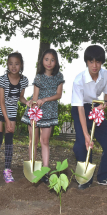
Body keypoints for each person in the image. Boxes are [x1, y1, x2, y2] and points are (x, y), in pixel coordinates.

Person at [71, 45, 107, 190]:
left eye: (98, 62)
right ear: (86, 62)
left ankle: (105, 175)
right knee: (82, 143)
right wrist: (87, 134)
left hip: (96, 108)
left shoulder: (105, 75)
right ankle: (85, 178)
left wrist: (104, 104)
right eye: (91, 61)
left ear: (101, 62)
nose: (95, 65)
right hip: (80, 109)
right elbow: (80, 108)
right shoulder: (79, 80)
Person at [21, 49, 64, 183]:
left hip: (49, 111)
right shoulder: (38, 76)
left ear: (56, 62)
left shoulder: (59, 77)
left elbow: (58, 95)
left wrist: (45, 100)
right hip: (36, 111)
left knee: (44, 141)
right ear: (42, 61)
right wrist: (34, 106)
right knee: (33, 141)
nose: (49, 62)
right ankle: (32, 168)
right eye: (46, 59)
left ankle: (45, 170)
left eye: (52, 60)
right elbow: (35, 96)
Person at [0, 52, 30, 184]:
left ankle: (7, 170)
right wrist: (7, 121)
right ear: (7, 65)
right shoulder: (2, 79)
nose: (13, 66)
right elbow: (1, 101)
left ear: (21, 65)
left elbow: (21, 97)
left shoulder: (24, 80)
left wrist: (27, 102)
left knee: (9, 141)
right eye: (11, 63)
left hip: (12, 111)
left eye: (16, 64)